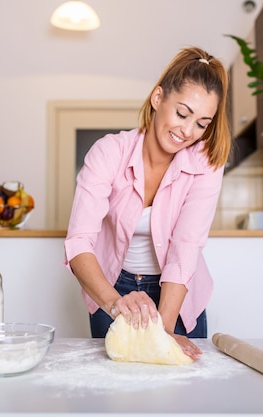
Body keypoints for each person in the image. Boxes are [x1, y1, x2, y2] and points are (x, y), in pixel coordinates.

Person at [63, 46, 231, 360]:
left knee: (182, 400)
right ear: (158, 98)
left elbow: (186, 246)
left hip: (178, 295)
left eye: (202, 123)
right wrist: (114, 303)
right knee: (119, 394)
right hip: (113, 288)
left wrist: (164, 330)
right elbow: (79, 242)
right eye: (182, 113)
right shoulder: (109, 152)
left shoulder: (206, 162)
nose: (187, 130)